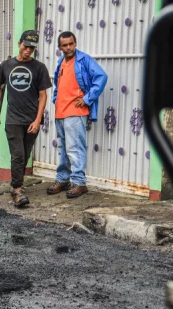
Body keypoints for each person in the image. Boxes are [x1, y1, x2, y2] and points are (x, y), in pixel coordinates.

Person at [0, 30, 51, 208]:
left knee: (24, 155)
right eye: (26, 47)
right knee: (17, 155)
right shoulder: (6, 65)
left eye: (32, 48)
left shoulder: (39, 68)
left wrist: (38, 119)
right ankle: (17, 189)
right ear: (19, 43)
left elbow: (43, 95)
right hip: (13, 118)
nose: (28, 51)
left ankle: (18, 183)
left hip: (32, 119)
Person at [48, 31, 108, 199]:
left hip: (75, 111)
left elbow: (101, 77)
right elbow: (58, 85)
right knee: (63, 148)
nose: (68, 48)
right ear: (60, 47)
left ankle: (80, 183)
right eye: (64, 45)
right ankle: (63, 179)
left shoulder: (84, 60)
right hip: (60, 111)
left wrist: (88, 99)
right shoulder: (61, 62)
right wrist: (56, 100)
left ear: (75, 43)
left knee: (75, 148)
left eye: (71, 44)